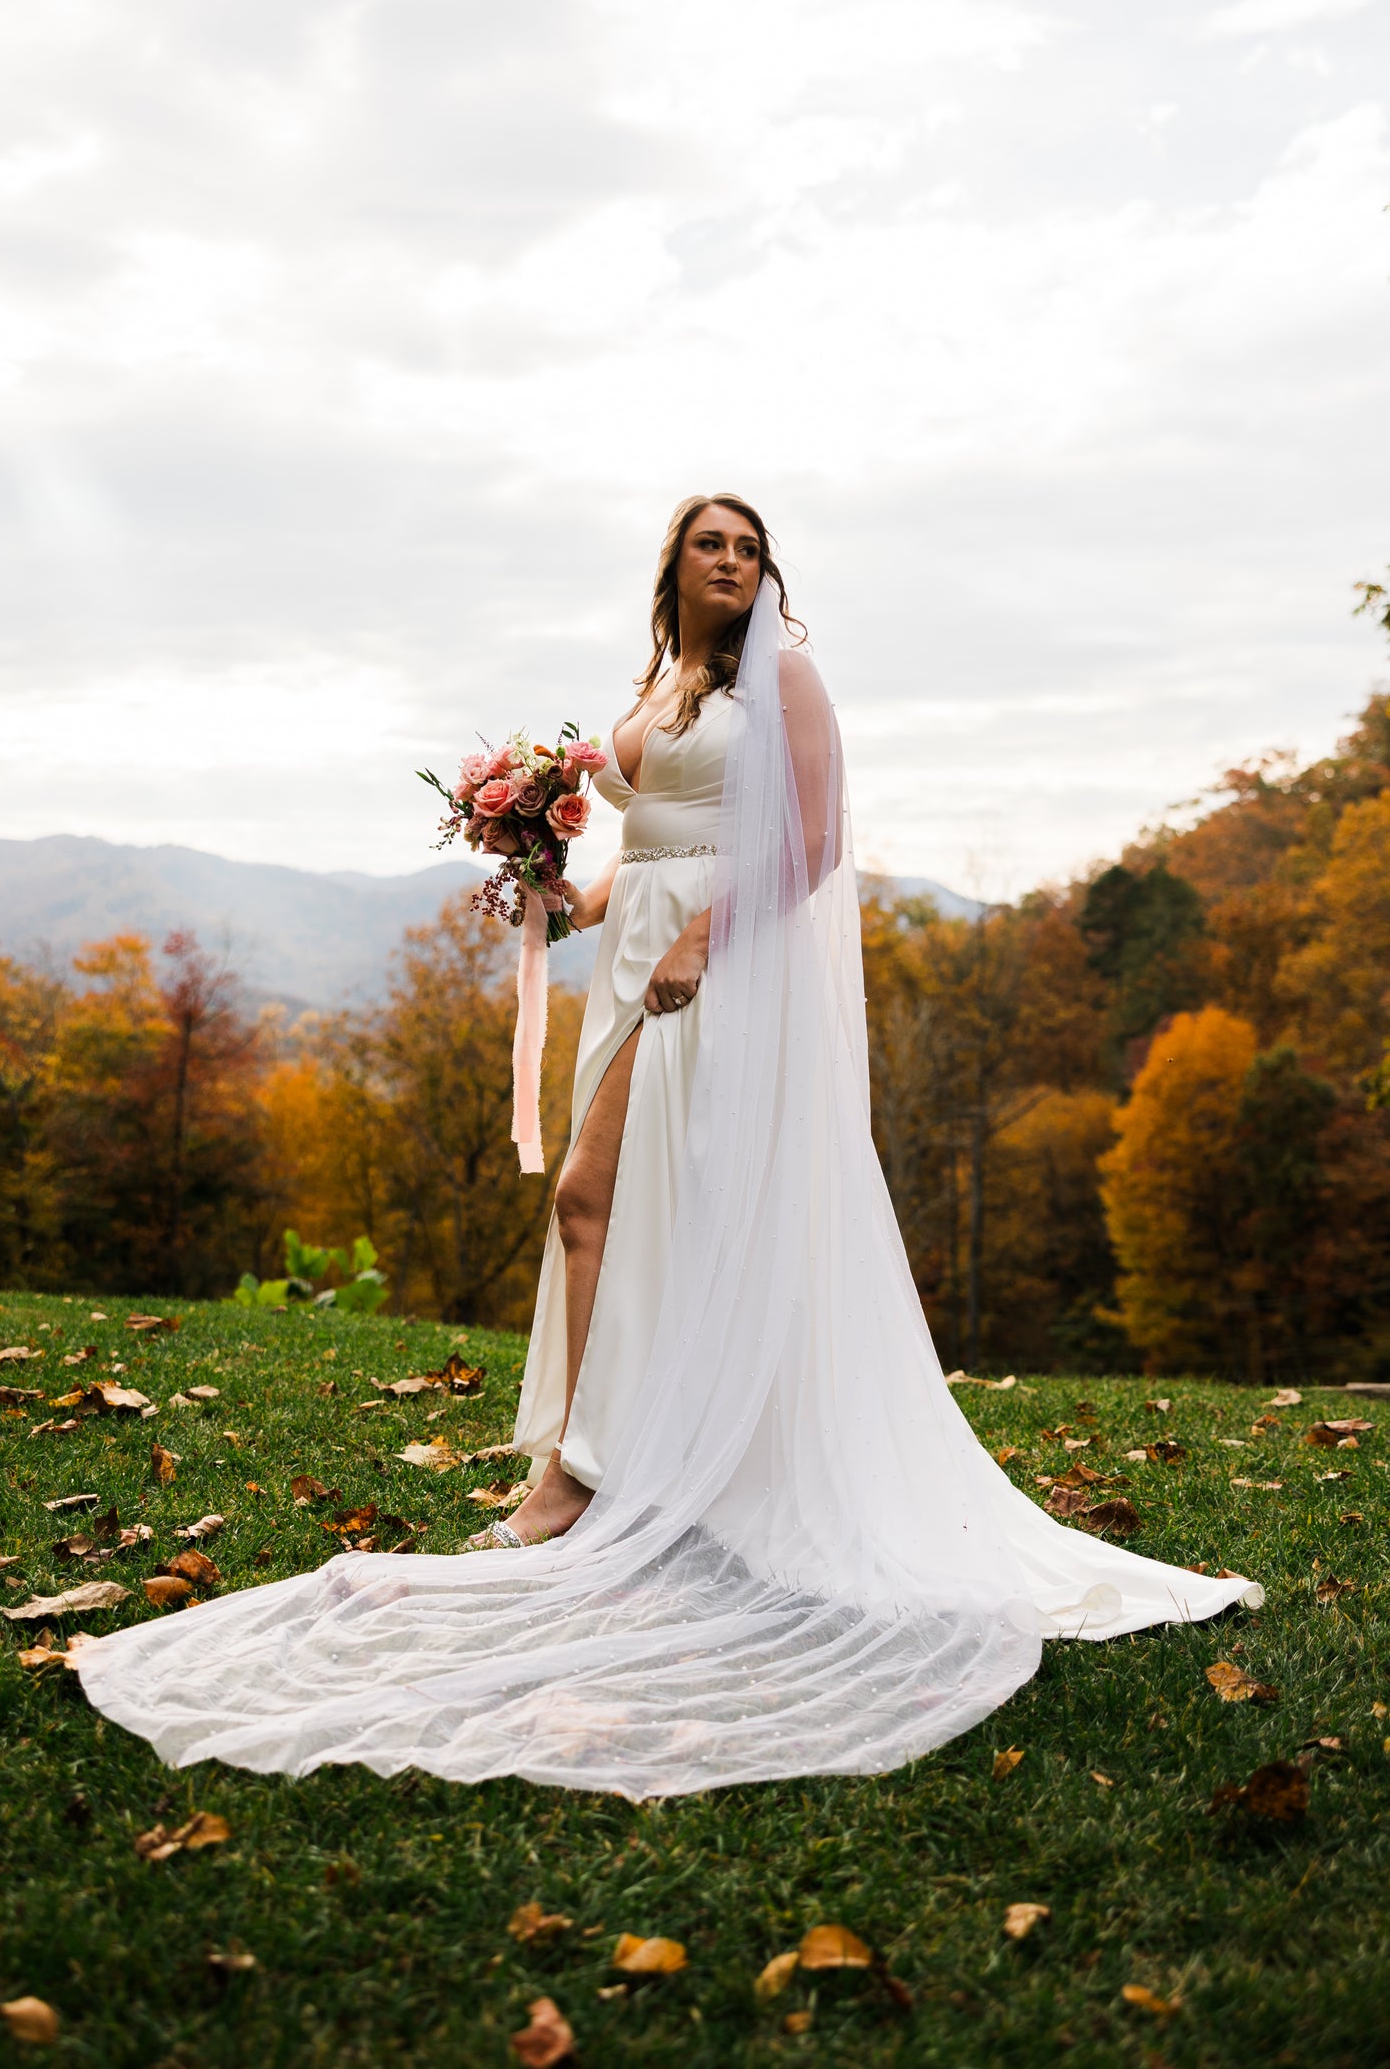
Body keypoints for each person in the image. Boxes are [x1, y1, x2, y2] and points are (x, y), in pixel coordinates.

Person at [76, 493, 1261, 1799]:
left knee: (593, 1199)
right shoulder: (662, 684)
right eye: (712, 544)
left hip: (720, 966)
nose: (732, 562)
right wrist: (548, 883)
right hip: (637, 948)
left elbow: (810, 844)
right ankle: (630, 1455)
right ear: (675, 567)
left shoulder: (785, 678)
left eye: (749, 548)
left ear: (765, 574)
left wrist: (702, 937)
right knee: (630, 1212)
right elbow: (641, 845)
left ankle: (575, 1480)